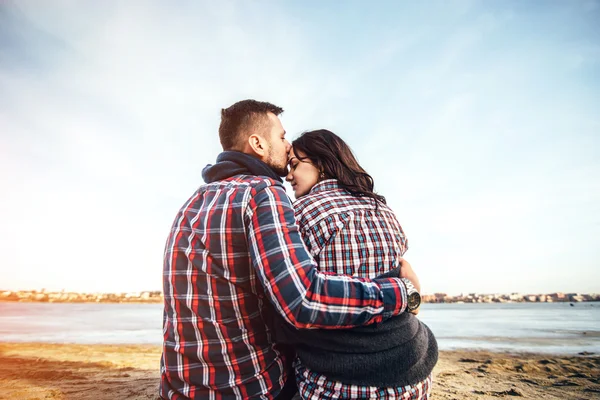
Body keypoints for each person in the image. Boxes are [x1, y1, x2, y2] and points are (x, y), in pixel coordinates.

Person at [159, 100, 421, 400]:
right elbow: (302, 300)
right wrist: (402, 292)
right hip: (248, 386)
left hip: (179, 386)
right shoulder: (262, 193)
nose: (287, 147)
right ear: (257, 143)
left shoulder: (191, 203)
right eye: (282, 137)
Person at [277, 129, 438, 399]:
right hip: (413, 370)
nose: (288, 175)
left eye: (295, 164)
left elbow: (293, 303)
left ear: (322, 161)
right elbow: (406, 280)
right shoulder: (381, 208)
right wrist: (410, 295)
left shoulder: (298, 213)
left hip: (339, 380)